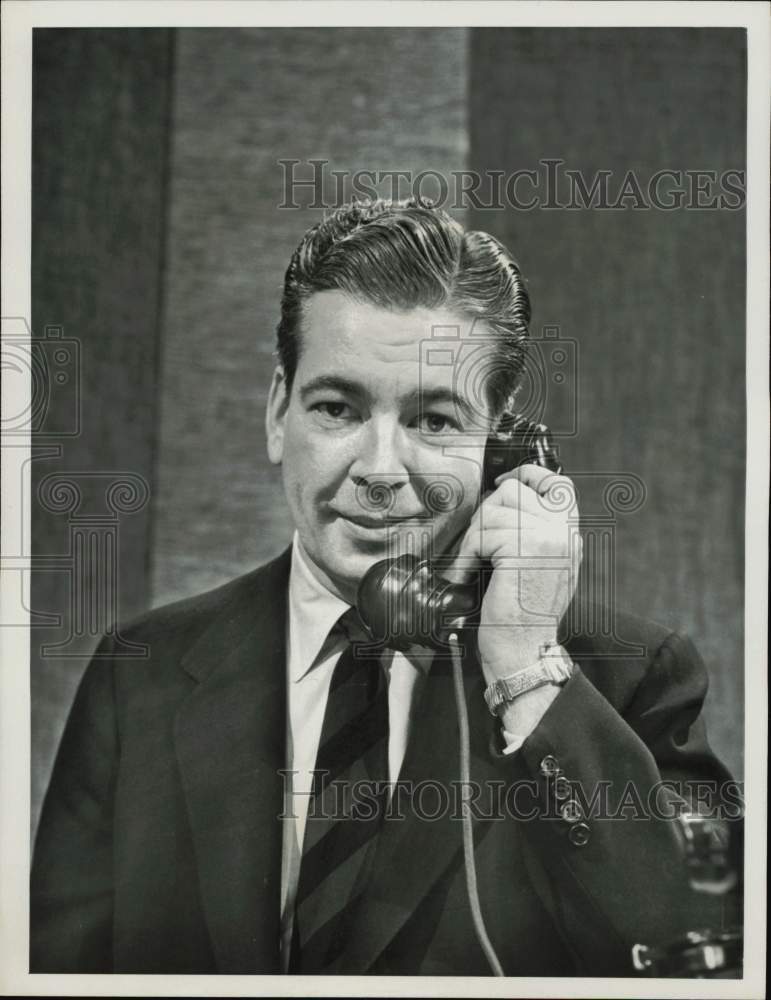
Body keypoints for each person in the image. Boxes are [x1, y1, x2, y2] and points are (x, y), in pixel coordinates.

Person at [31, 198, 737, 976]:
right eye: (337, 408)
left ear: (503, 450)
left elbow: (696, 962)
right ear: (277, 413)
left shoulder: (632, 677)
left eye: (433, 421)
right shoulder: (140, 675)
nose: (376, 471)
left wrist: (527, 667)